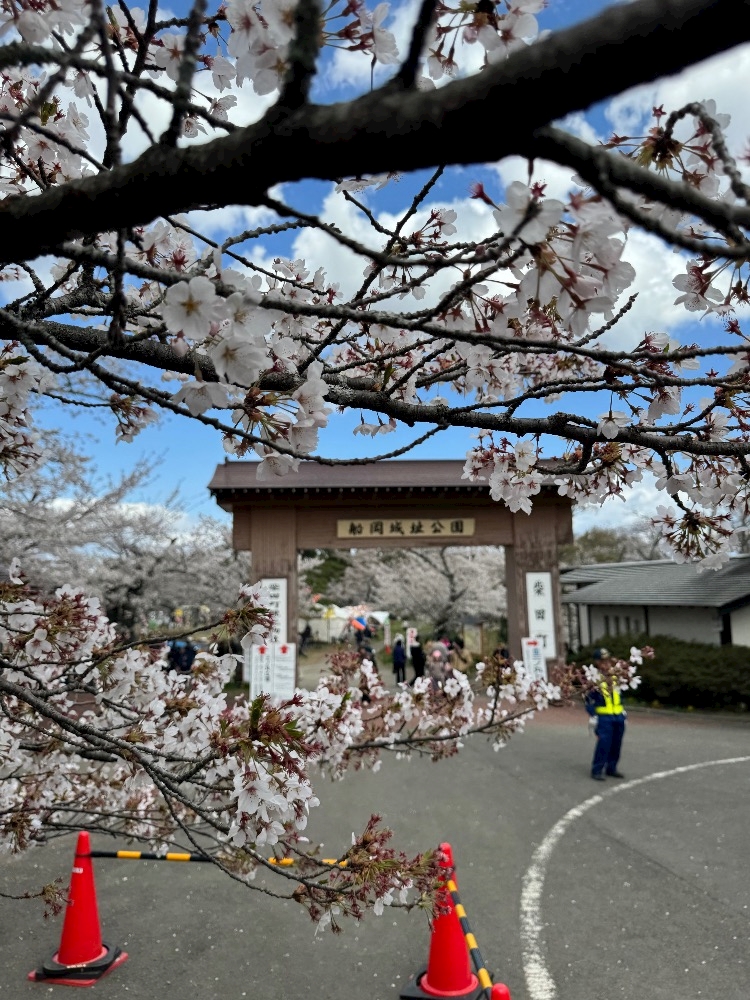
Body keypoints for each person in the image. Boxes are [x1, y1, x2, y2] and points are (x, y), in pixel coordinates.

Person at [585, 652, 626, 781]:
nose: (607, 664)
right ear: (597, 663)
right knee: (604, 744)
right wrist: (593, 715)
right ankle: (597, 770)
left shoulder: (615, 677)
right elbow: (588, 700)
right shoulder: (594, 679)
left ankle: (611, 768)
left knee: (616, 744)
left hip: (618, 716)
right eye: (603, 662)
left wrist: (623, 711)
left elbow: (619, 695)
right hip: (604, 718)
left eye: (608, 661)